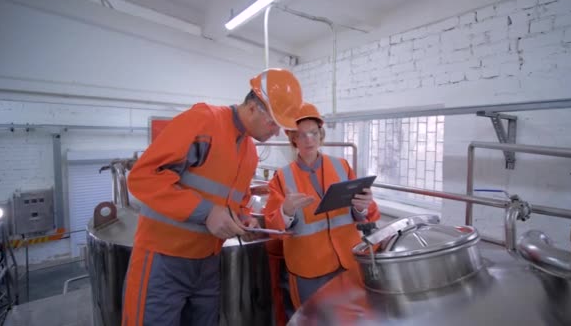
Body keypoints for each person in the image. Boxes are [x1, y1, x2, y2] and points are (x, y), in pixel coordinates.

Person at [121, 68, 304, 326]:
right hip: (163, 259)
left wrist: (244, 219)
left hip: (207, 264)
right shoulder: (204, 121)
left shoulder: (250, 151)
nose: (275, 133)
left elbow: (237, 200)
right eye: (274, 123)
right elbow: (144, 176)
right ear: (253, 108)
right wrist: (206, 212)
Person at [263, 102, 380, 318]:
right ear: (293, 139)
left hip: (346, 261)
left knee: (349, 319)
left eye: (313, 133)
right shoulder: (282, 177)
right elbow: (272, 225)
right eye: (301, 134)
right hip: (309, 267)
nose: (309, 139)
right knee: (312, 320)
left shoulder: (341, 166)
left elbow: (365, 212)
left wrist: (362, 208)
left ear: (321, 135)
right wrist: (286, 211)